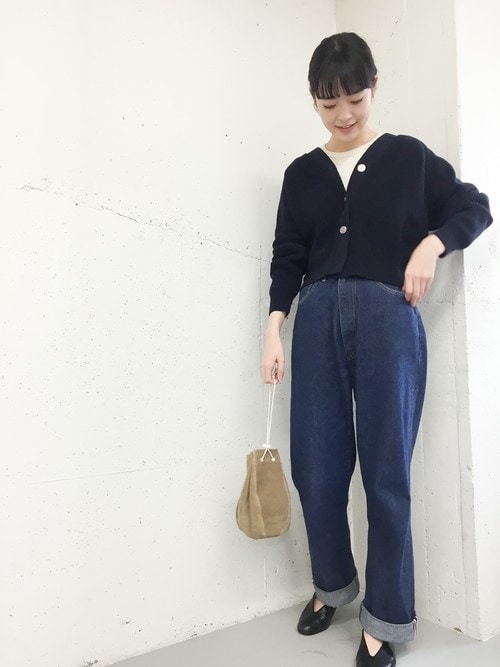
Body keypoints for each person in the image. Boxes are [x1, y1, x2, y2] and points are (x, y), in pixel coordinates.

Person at [261, 32, 492, 667]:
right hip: (315, 322)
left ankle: (385, 617)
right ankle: (332, 584)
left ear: (374, 86)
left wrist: (431, 244)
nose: (343, 115)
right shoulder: (301, 174)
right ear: (313, 100)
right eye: (328, 104)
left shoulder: (408, 157)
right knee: (316, 468)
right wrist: (274, 329)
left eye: (355, 100)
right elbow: (287, 257)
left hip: (389, 320)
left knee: (387, 471)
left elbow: (473, 205)